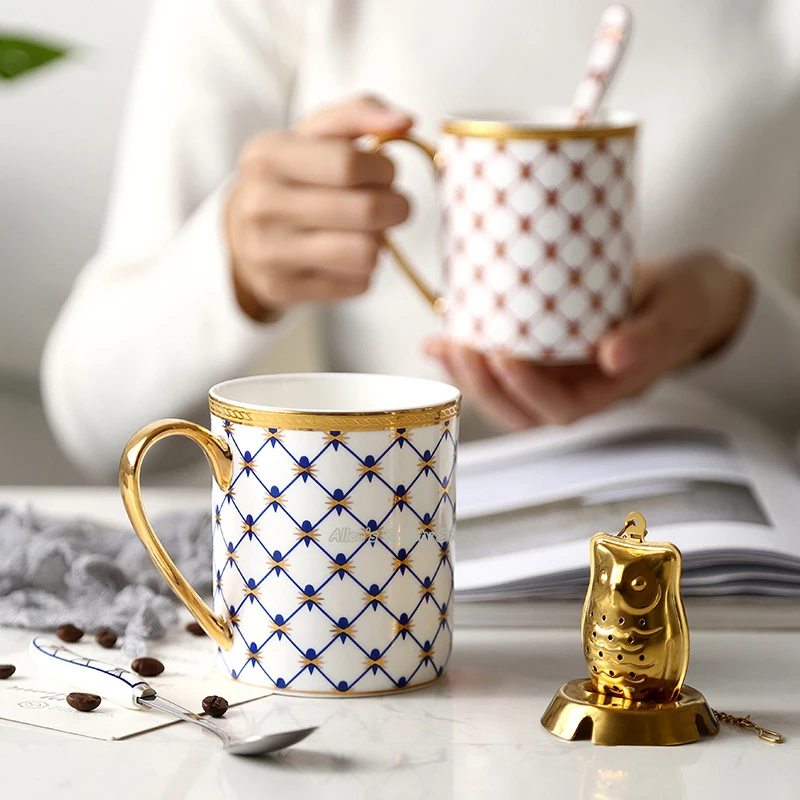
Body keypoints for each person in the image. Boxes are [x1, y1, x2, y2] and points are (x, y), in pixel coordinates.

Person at [42, 0, 800, 482]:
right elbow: (90, 415)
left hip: (730, 579)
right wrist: (233, 263)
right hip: (376, 547)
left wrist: (734, 324)